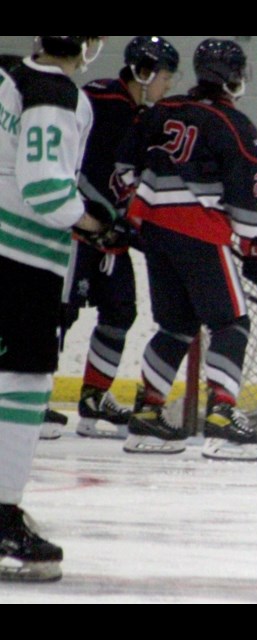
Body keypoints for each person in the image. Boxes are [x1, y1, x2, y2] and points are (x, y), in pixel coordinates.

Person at [115, 38, 257, 462]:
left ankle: (147, 415)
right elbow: (243, 201)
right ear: (234, 76)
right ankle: (222, 416)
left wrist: (136, 216)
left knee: (176, 325)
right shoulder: (236, 126)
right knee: (231, 323)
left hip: (154, 233)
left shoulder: (161, 111)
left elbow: (123, 170)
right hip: (200, 234)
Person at [0, 36, 107, 582]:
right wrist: (93, 223)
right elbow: (44, 188)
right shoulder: (53, 92)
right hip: (16, 260)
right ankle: (0, 518)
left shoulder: (12, 76)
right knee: (21, 386)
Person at [57, 36, 181, 441]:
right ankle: (33, 399)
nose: (167, 86)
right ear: (144, 73)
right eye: (165, 77)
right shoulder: (103, 101)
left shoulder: (138, 112)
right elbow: (79, 171)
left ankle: (94, 400)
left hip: (109, 239)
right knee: (60, 313)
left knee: (120, 310)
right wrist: (106, 216)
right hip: (75, 231)